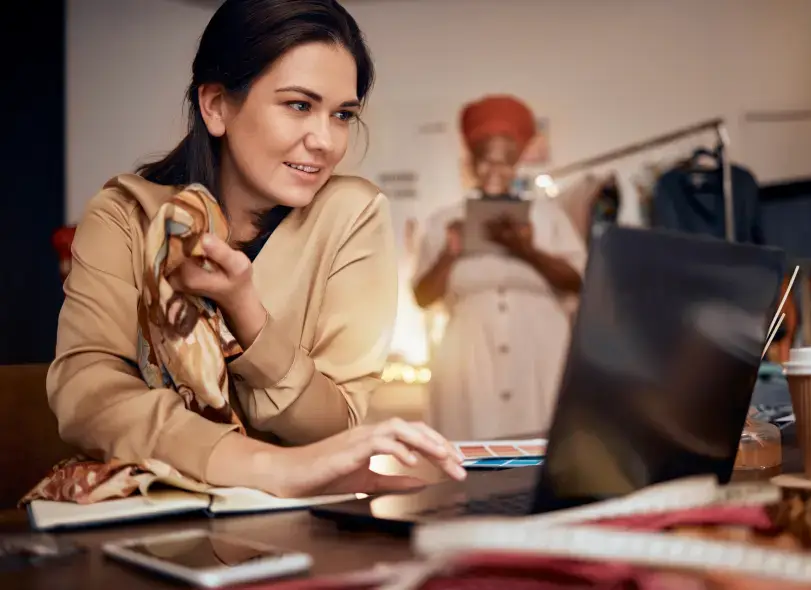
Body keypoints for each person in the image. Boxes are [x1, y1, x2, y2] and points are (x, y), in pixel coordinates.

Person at [43, 0, 465, 501]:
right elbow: (87, 395)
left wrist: (249, 315)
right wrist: (268, 467)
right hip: (148, 510)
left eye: (342, 114)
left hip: (296, 522)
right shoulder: (126, 215)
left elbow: (334, 423)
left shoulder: (352, 212)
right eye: (299, 105)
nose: (325, 140)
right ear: (216, 106)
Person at [412, 95, 586, 440]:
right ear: (470, 163)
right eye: (485, 161)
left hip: (541, 355)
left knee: (543, 452)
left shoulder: (547, 217)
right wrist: (450, 253)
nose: (495, 171)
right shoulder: (444, 221)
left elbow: (577, 282)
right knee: (473, 455)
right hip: (469, 360)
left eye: (505, 162)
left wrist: (526, 249)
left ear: (517, 164)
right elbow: (422, 297)